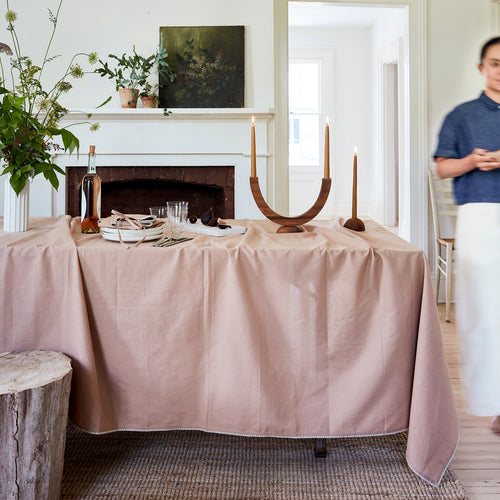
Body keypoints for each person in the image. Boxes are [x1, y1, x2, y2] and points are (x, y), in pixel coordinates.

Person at [434, 36, 500, 436]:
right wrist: (471, 161)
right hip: (479, 217)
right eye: (495, 63)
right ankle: (492, 402)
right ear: (481, 68)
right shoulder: (461, 116)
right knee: (484, 313)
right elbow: (443, 168)